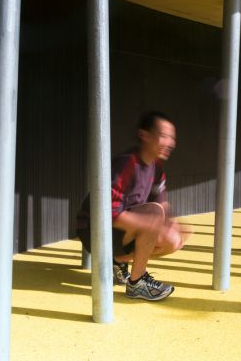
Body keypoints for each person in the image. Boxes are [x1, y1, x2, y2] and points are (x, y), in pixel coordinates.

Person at [76, 111, 191, 301]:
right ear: (144, 135)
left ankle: (118, 261)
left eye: (172, 138)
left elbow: (163, 204)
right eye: (164, 136)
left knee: (173, 238)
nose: (170, 143)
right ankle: (137, 283)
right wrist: (149, 225)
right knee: (153, 215)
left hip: (119, 230)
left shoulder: (156, 167)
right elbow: (107, 213)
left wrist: (174, 227)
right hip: (93, 229)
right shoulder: (127, 163)